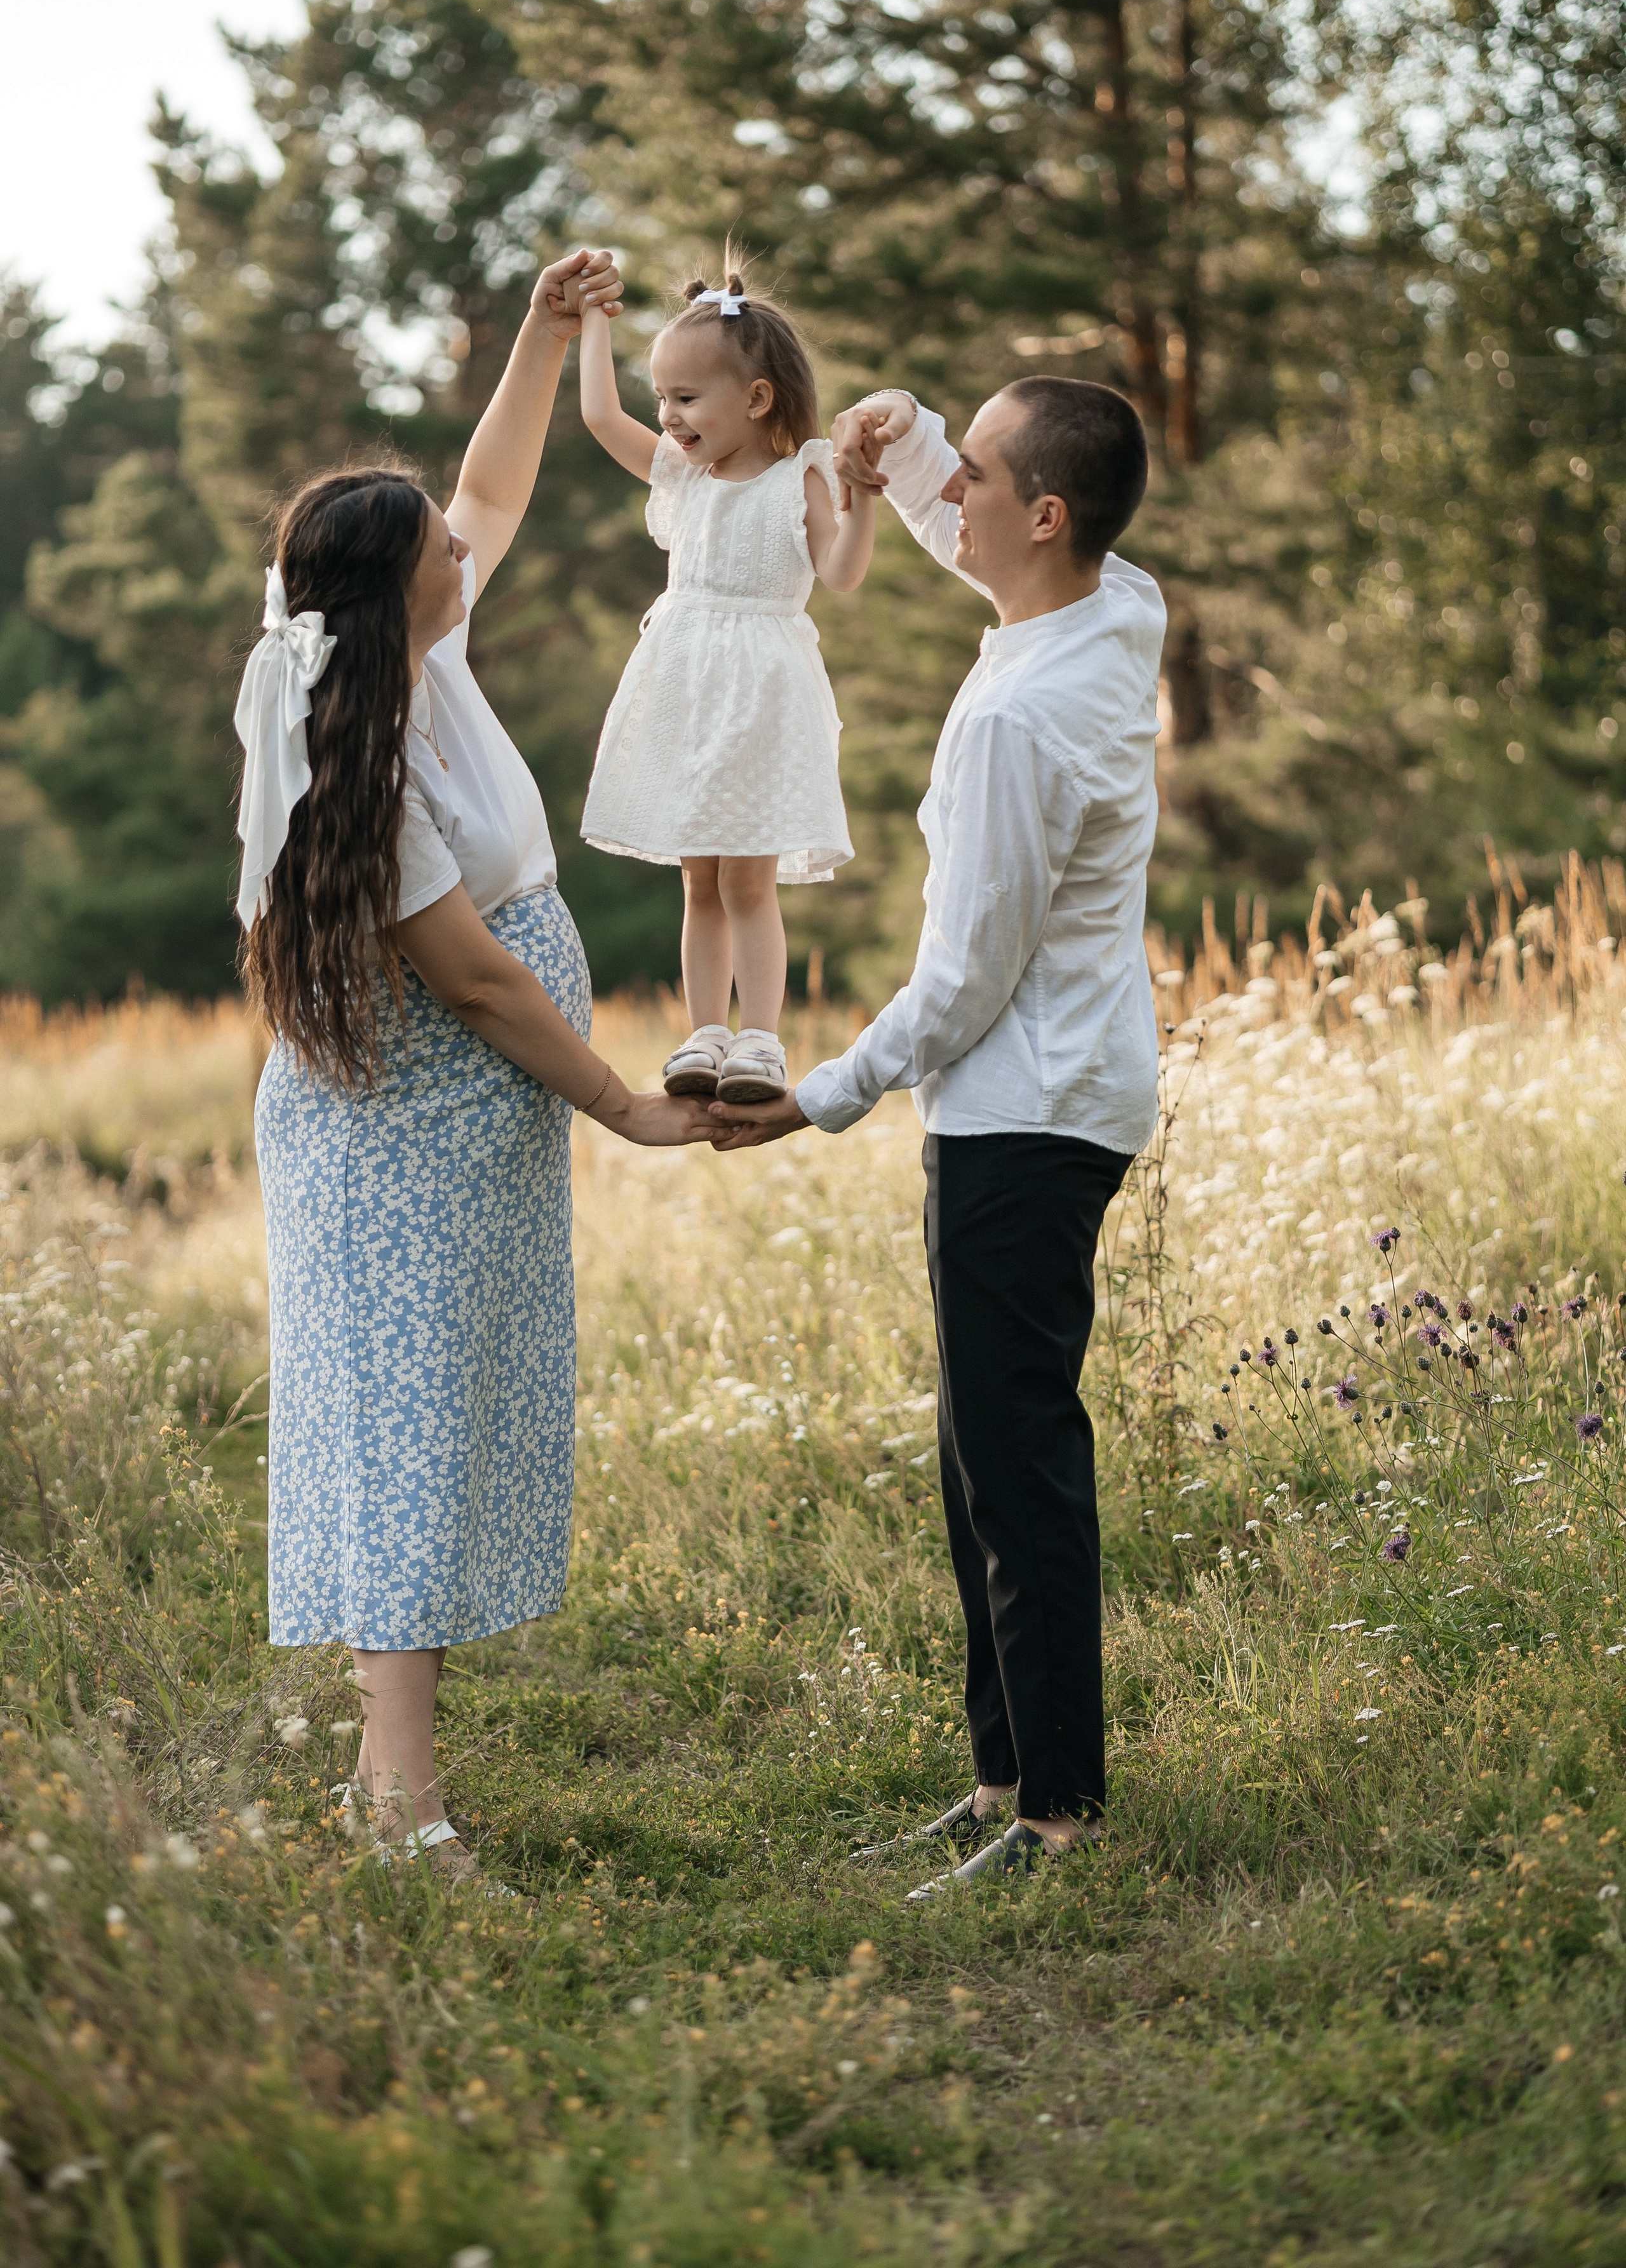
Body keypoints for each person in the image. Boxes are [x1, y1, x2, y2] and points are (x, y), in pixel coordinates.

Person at [238, 248, 725, 1884]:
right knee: (399, 1433)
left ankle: (395, 1790)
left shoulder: (403, 663)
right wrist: (625, 1106)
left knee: (431, 1428)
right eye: (444, 549)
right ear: (400, 592)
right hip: (412, 1121)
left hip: (454, 1123)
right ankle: (399, 1810)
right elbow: (477, 983)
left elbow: (490, 478)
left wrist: (543, 332)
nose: (467, 542)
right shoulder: (351, 766)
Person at [711, 377, 1164, 1899]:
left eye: (968, 473)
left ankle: (1057, 1818)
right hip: (1053, 1095)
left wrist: (821, 1094)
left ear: (1043, 513)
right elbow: (978, 538)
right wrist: (906, 445)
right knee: (980, 1452)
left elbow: (964, 981)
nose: (944, 497)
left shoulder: (1022, 723)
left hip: (1020, 1112)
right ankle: (999, 1783)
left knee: (1016, 1463)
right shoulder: (1115, 608)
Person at [574, 262, 875, 1106]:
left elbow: (842, 573)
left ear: (757, 399)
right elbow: (601, 415)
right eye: (664, 399)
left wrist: (865, 502)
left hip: (759, 696)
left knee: (749, 880)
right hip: (686, 689)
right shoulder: (683, 476)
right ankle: (705, 1032)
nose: (668, 418)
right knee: (697, 880)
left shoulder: (802, 477)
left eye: (687, 400)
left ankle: (762, 1041)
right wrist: (594, 319)